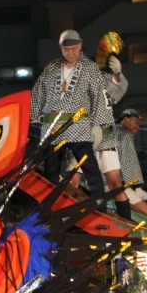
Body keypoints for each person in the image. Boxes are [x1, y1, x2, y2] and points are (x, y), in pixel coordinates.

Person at [29, 29, 113, 194]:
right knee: (51, 170)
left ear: (80, 46)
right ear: (60, 47)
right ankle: (49, 206)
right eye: (67, 49)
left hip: (78, 125)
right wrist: (33, 115)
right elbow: (38, 92)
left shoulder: (90, 68)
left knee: (90, 169)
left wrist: (99, 126)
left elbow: (100, 97)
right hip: (53, 126)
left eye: (74, 48)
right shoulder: (51, 68)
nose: (71, 52)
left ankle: (98, 204)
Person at [95, 108, 147, 218]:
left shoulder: (109, 132)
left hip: (98, 182)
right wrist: (137, 187)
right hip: (112, 183)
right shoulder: (123, 133)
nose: (138, 127)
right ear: (126, 119)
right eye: (136, 123)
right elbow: (128, 161)